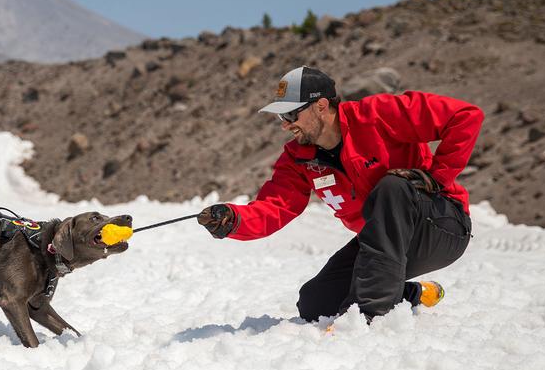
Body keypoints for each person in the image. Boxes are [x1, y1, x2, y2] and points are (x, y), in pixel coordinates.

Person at [197, 66, 484, 322]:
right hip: (383, 243)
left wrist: (436, 177)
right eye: (280, 117)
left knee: (392, 186)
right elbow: (275, 206)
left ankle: (371, 316)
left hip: (440, 227)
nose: (285, 124)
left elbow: (465, 116)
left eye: (290, 114)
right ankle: (411, 293)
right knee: (315, 303)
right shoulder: (299, 159)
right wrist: (233, 220)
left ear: (321, 106)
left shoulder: (376, 115)